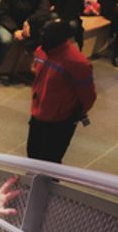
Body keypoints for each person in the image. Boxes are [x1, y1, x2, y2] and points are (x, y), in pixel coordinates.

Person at [28, 18, 96, 163]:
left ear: (60, 38)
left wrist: (71, 114)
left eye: (46, 33)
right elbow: (35, 69)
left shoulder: (78, 63)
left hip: (60, 121)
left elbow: (88, 96)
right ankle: (33, 184)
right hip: (38, 114)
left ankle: (47, 185)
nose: (42, 36)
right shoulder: (41, 51)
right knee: (33, 154)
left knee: (50, 161)